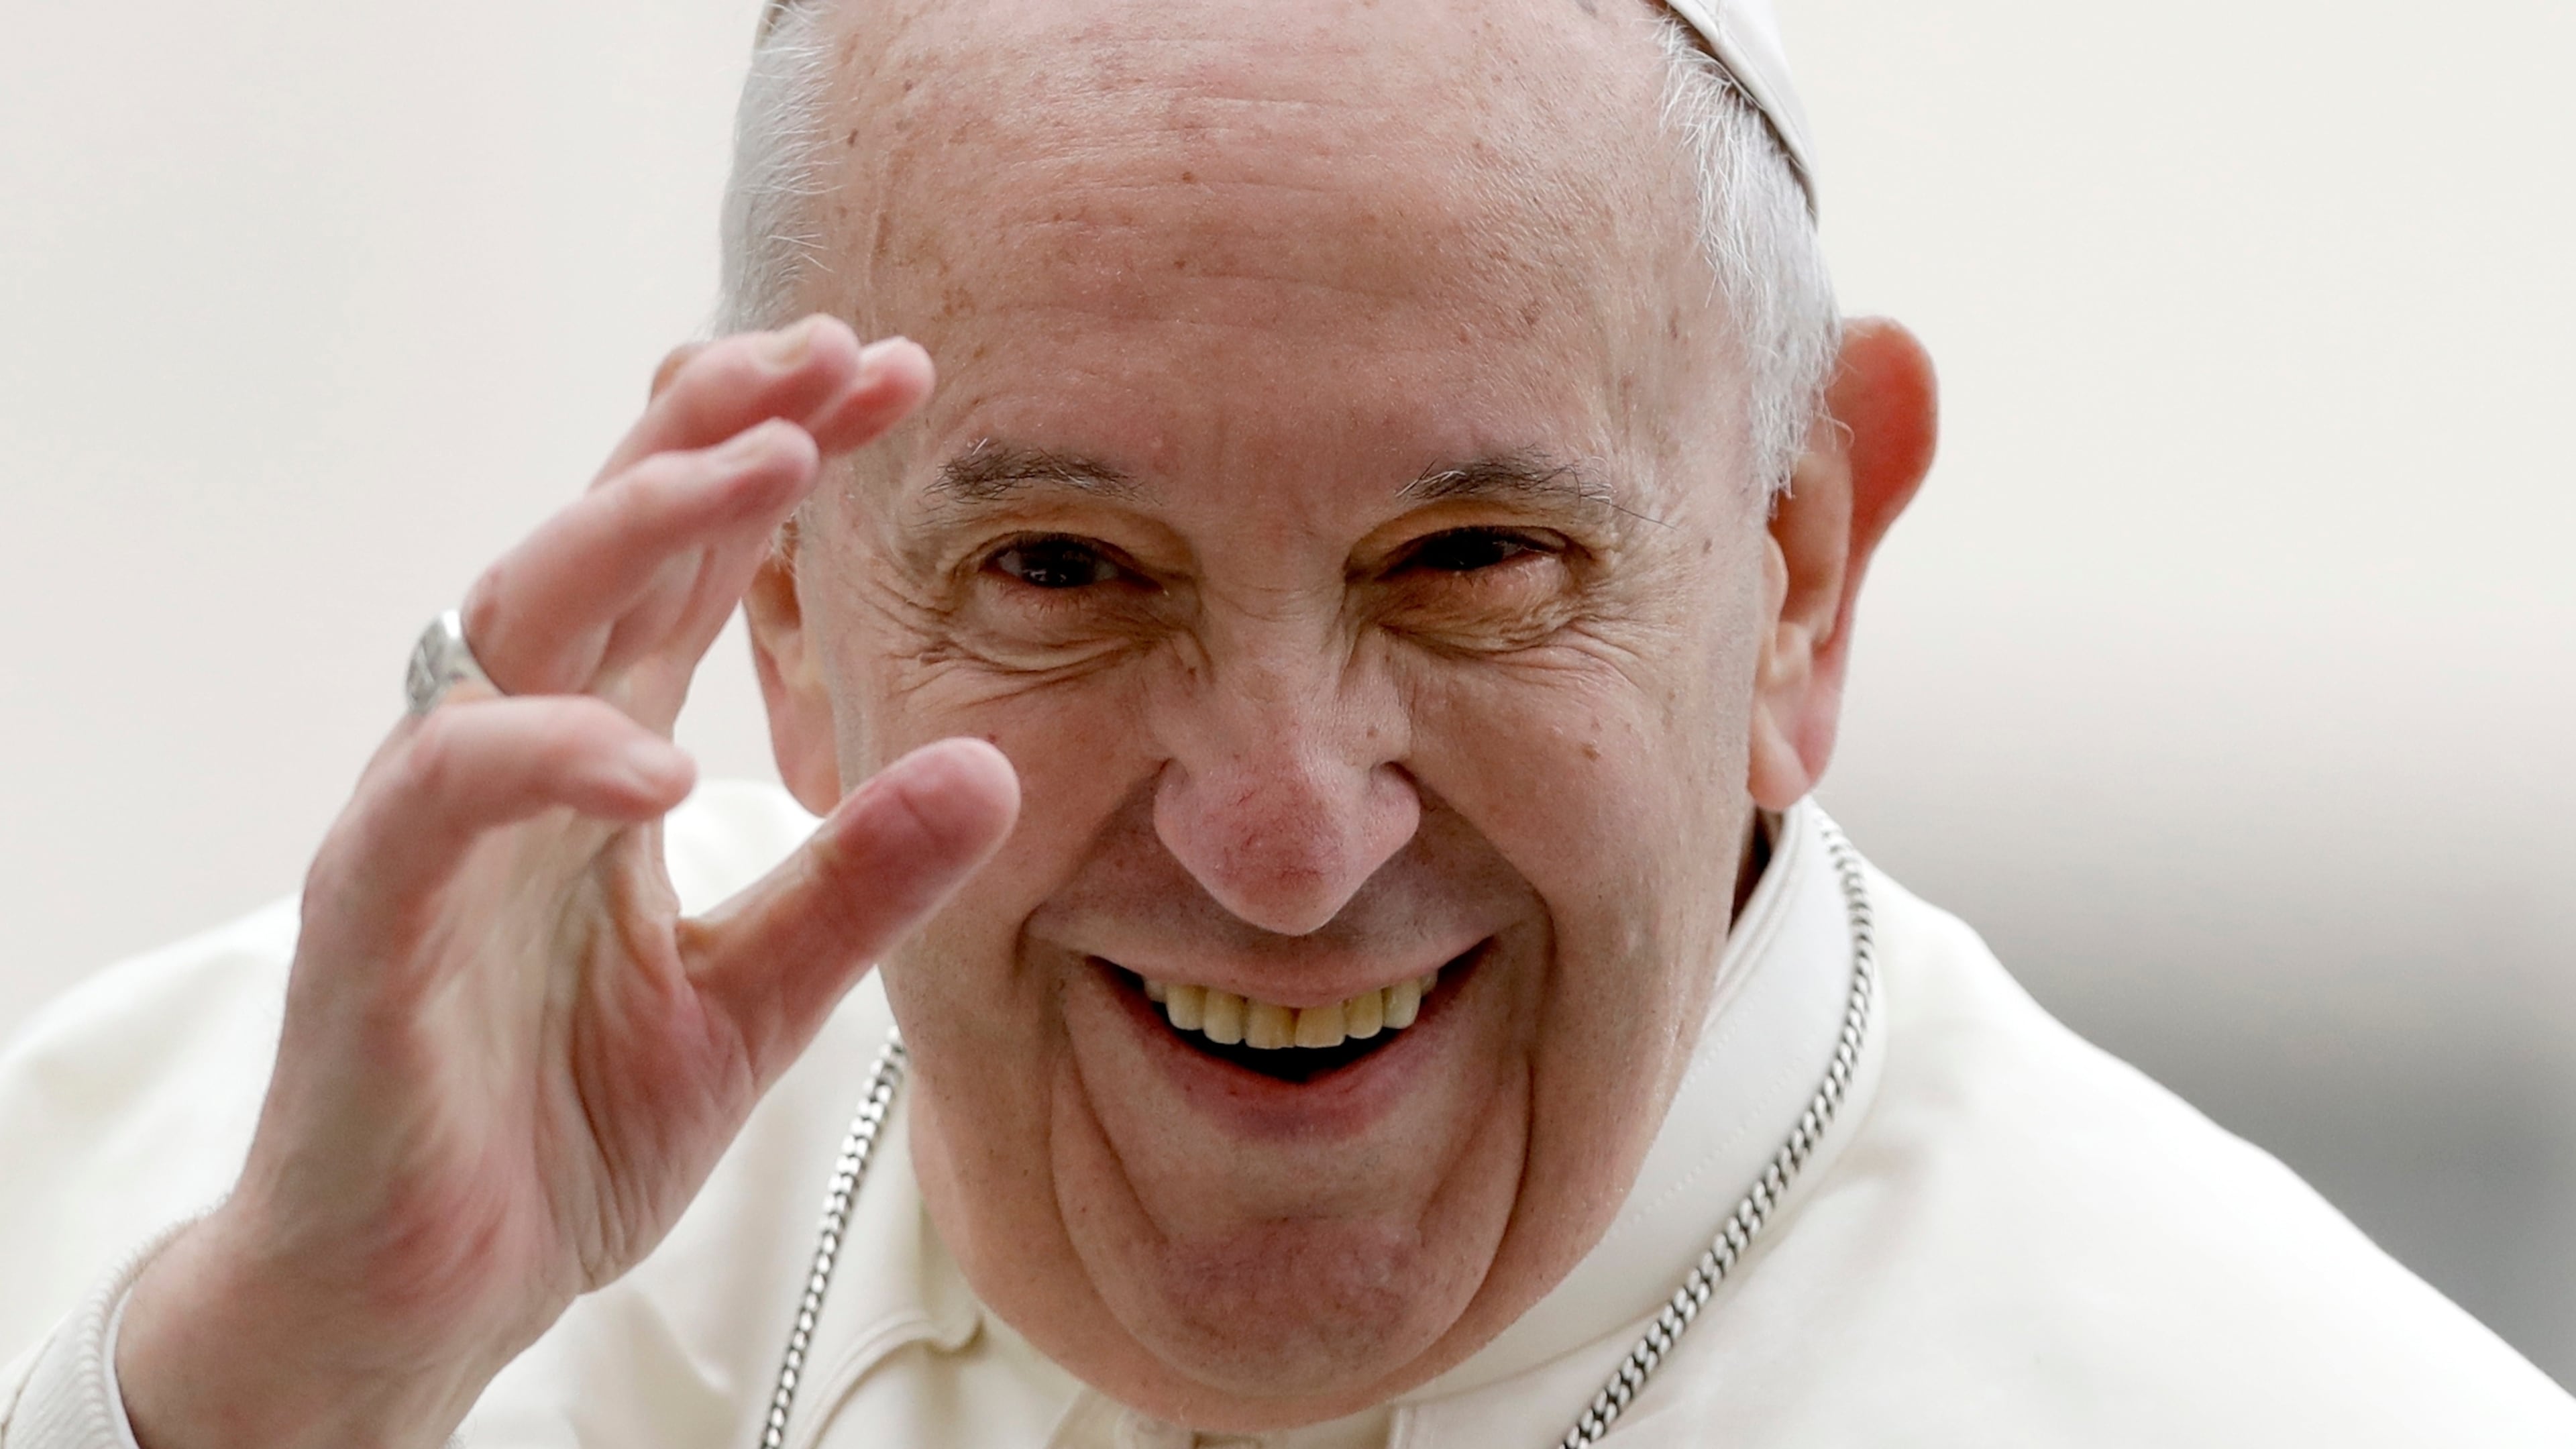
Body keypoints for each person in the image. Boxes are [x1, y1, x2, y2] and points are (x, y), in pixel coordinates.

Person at [1, 0, 2568, 1444]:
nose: (1282, 834)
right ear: (780, 592)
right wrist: (275, 1402)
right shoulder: (229, 1219)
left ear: (1794, 574)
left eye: (1469, 566)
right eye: (1063, 575)